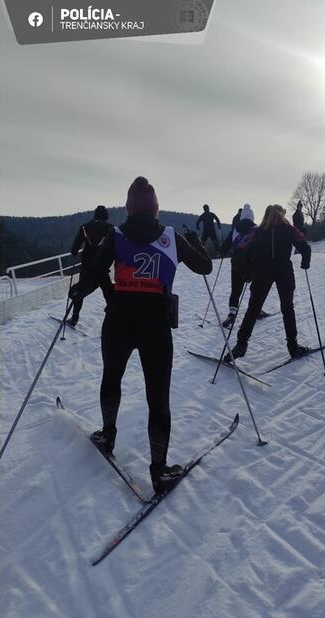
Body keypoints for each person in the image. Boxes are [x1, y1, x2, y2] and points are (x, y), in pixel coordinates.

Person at [70, 177, 213, 492]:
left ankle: (108, 434)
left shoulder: (116, 235)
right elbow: (205, 268)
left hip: (119, 321)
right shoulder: (171, 238)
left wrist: (78, 292)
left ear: (129, 208)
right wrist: (198, 241)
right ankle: (159, 470)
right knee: (157, 397)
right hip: (156, 326)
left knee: (112, 376)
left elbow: (94, 274)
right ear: (155, 209)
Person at [226, 204, 312, 361]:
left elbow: (246, 252)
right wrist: (305, 262)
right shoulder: (289, 229)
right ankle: (293, 347)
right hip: (284, 270)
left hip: (262, 272)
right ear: (281, 215)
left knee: (253, 309)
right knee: (287, 308)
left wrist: (247, 272)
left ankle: (241, 344)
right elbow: (305, 248)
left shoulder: (258, 231)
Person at [67, 205, 114, 325]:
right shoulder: (110, 228)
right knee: (108, 293)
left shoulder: (85, 227)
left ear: (95, 215)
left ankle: (74, 318)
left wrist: (75, 251)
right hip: (101, 266)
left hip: (86, 265)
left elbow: (74, 249)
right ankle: (114, 319)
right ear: (106, 216)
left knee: (80, 290)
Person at [217, 203, 256, 329]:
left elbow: (226, 245)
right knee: (255, 287)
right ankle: (256, 309)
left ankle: (232, 313)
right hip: (250, 264)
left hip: (236, 263)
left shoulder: (235, 229)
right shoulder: (256, 230)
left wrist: (222, 252)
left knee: (235, 290)